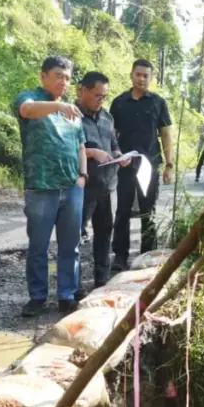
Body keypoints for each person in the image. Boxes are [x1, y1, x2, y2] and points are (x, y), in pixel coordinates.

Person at [14, 56, 88, 317]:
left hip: (72, 187)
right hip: (41, 187)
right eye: (58, 75)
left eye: (67, 78)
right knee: (38, 247)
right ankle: (37, 296)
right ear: (43, 76)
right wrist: (57, 107)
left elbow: (81, 144)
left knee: (71, 246)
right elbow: (27, 110)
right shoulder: (30, 97)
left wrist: (83, 175)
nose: (63, 82)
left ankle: (66, 295)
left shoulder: (72, 111)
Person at [109, 59, 174, 271]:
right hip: (126, 164)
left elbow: (165, 134)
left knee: (149, 212)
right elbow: (112, 135)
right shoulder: (119, 103)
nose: (142, 79)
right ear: (131, 75)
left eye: (146, 75)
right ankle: (120, 255)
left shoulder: (158, 102)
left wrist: (169, 164)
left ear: (151, 78)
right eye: (138, 74)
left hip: (150, 164)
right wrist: (115, 156)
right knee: (122, 211)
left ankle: (147, 254)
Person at [78, 71, 130, 288]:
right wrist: (91, 153)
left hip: (107, 186)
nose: (101, 100)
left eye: (104, 97)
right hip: (82, 187)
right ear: (83, 90)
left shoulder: (107, 118)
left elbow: (113, 145)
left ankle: (101, 280)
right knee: (75, 236)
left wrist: (119, 156)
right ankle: (73, 285)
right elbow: (66, 149)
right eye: (97, 95)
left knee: (104, 233)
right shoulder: (72, 116)